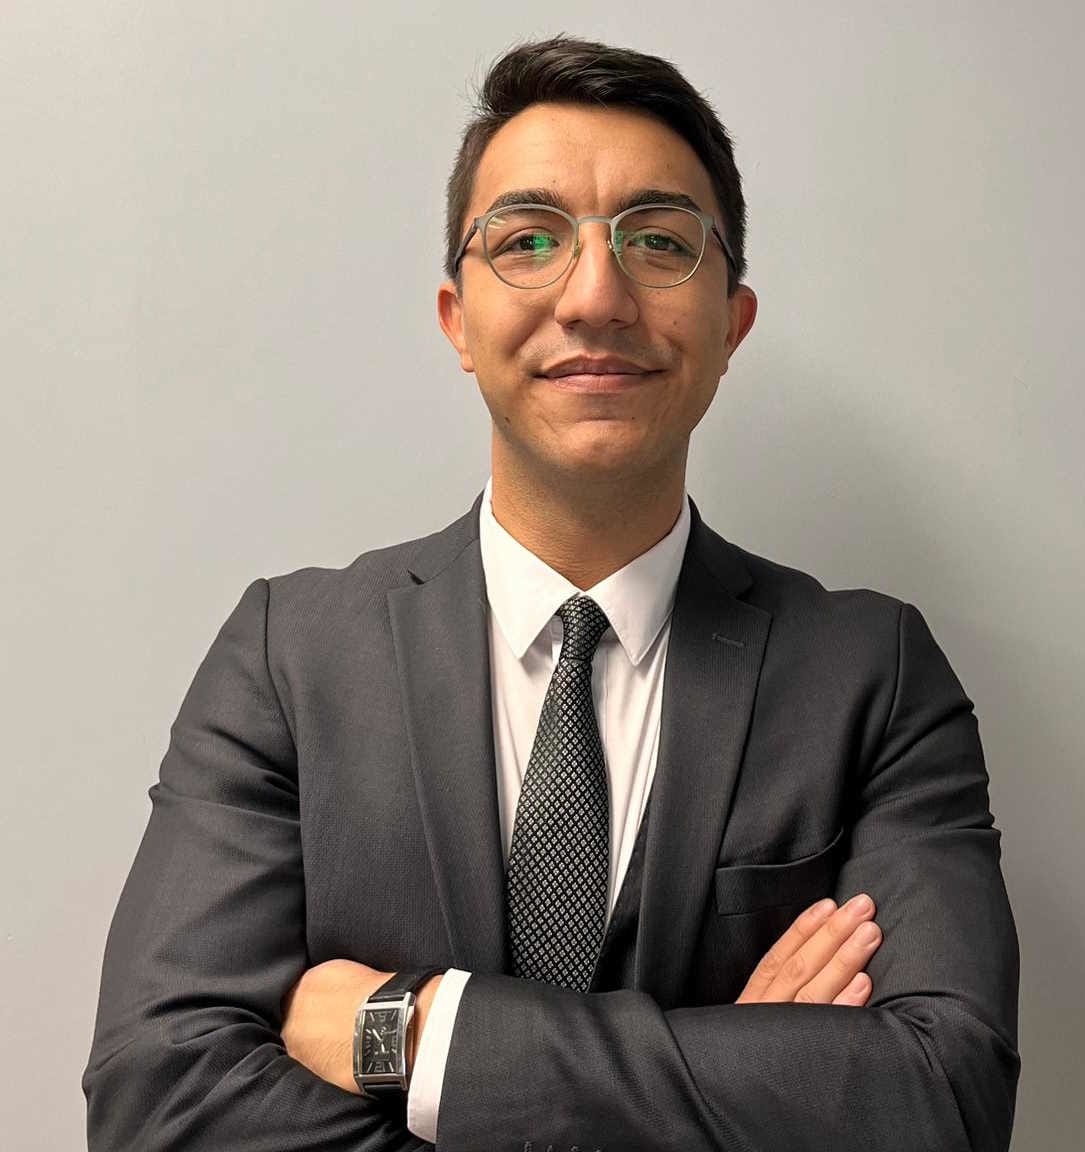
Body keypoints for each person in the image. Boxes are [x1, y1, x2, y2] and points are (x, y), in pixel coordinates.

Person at [84, 36, 1020, 1152]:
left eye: (659, 241)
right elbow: (157, 1104)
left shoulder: (873, 674)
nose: (595, 295)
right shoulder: (289, 656)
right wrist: (737, 1074)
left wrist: (421, 1035)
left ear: (731, 323)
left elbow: (943, 1101)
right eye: (529, 239)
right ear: (457, 320)